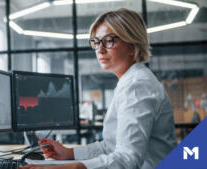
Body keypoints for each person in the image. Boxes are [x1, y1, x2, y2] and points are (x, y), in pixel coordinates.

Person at [19, 8, 177, 169]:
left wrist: (60, 168)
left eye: (109, 41)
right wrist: (69, 154)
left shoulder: (137, 85)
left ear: (132, 44)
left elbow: (127, 159)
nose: (100, 50)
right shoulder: (129, 81)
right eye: (96, 42)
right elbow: (111, 146)